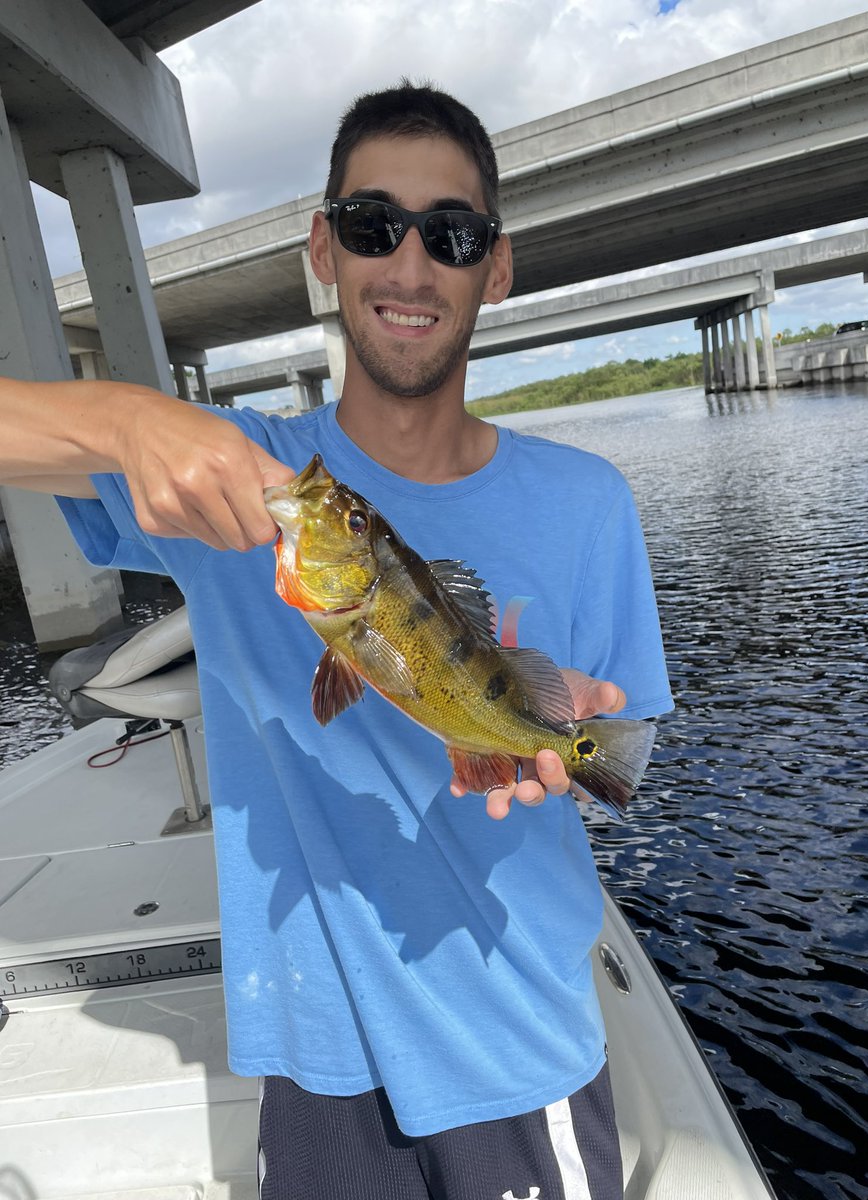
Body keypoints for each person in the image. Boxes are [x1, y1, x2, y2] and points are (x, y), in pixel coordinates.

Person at [0, 81, 673, 1200]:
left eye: (450, 235)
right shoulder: (244, 482)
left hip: (516, 1048)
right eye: (373, 226)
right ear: (325, 248)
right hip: (312, 1056)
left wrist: (561, 743)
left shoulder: (591, 502)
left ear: (494, 268)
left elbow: (615, 725)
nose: (410, 266)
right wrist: (125, 416)